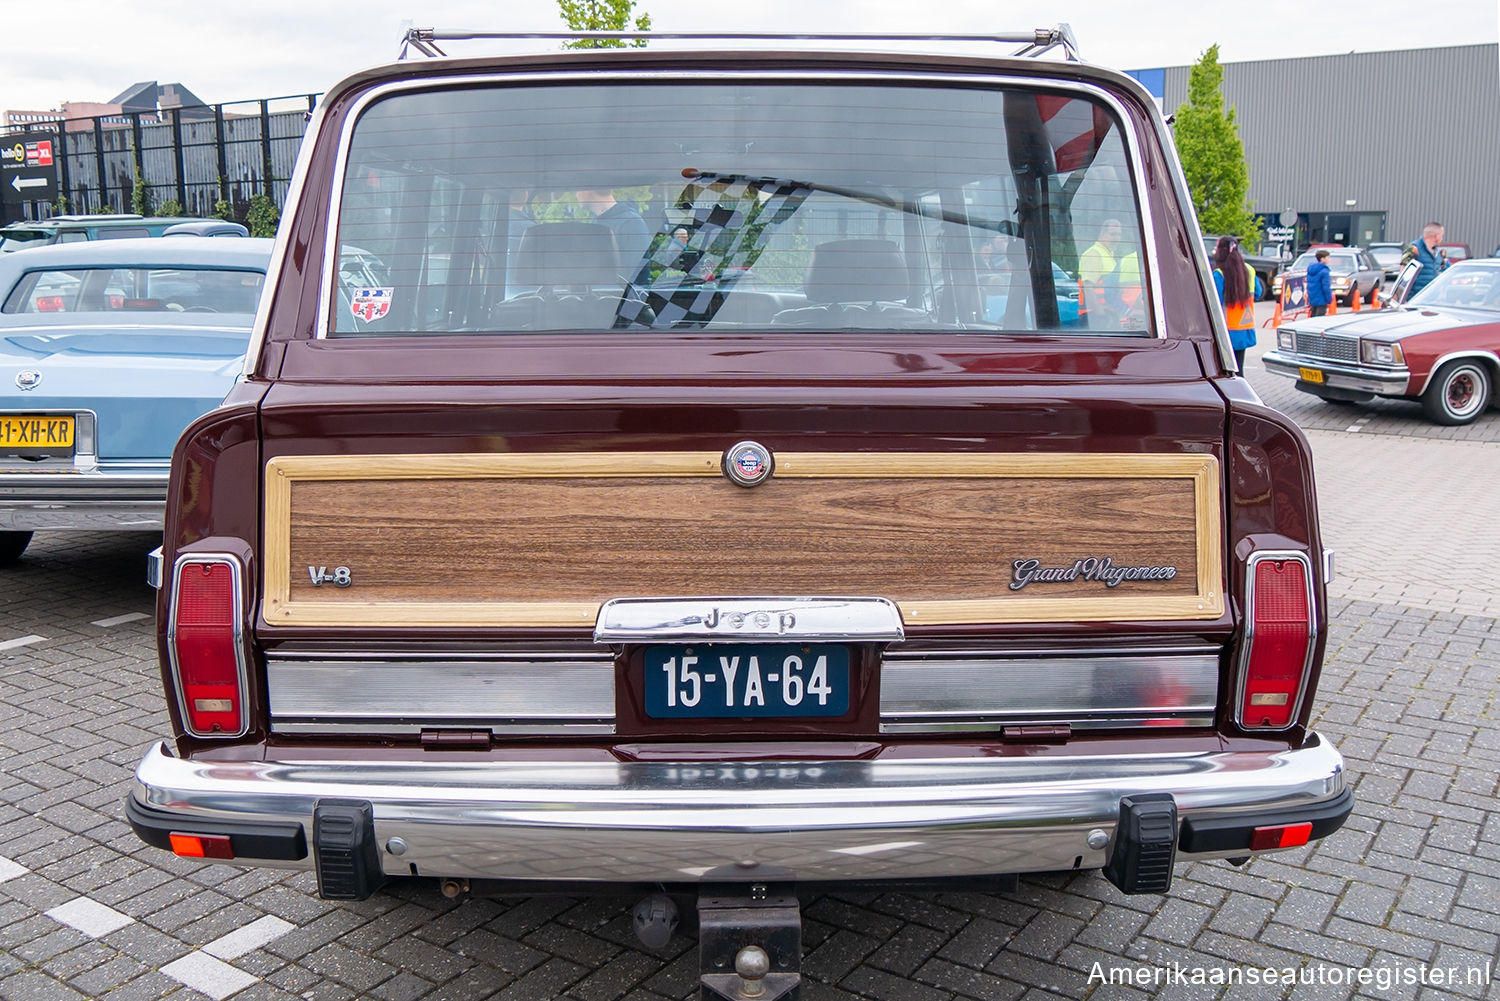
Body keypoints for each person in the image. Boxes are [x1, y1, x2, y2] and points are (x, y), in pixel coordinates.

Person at [1212, 236, 1261, 371]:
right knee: (1239, 370)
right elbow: (1258, 293)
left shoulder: (1219, 274)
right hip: (1244, 327)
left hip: (1225, 330)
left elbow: (1214, 303)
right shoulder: (1249, 270)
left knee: (1225, 372)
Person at [575, 188, 651, 275]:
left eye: (578, 190)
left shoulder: (631, 223)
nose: (576, 195)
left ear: (588, 191)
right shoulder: (596, 222)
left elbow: (635, 276)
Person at [1077, 218, 1122, 325]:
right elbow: (1088, 287)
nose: (1116, 238)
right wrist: (1100, 314)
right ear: (1103, 234)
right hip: (1095, 315)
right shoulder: (1093, 254)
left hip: (1107, 312)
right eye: (1112, 234)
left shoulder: (1107, 254)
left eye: (1119, 234)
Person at [1400, 221, 1446, 295]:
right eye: (1441, 236)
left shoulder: (1438, 253)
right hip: (1414, 299)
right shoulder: (1413, 249)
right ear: (1436, 236)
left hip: (1431, 299)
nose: (1442, 239)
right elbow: (1402, 276)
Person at [1307, 249, 1333, 317]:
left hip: (1313, 298)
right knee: (1319, 319)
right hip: (1321, 298)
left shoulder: (1311, 269)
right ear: (1322, 259)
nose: (1329, 259)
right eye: (1328, 257)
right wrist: (1329, 299)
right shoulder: (1324, 271)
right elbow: (1326, 287)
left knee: (1313, 317)